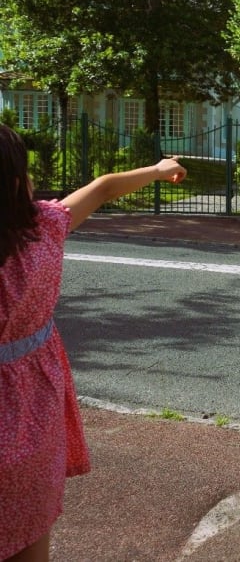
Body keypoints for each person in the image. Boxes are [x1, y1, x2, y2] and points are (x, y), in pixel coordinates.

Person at [0, 125, 186, 562]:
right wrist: (160, 169)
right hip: (33, 412)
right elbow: (102, 189)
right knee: (30, 532)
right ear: (14, 183)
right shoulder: (44, 229)